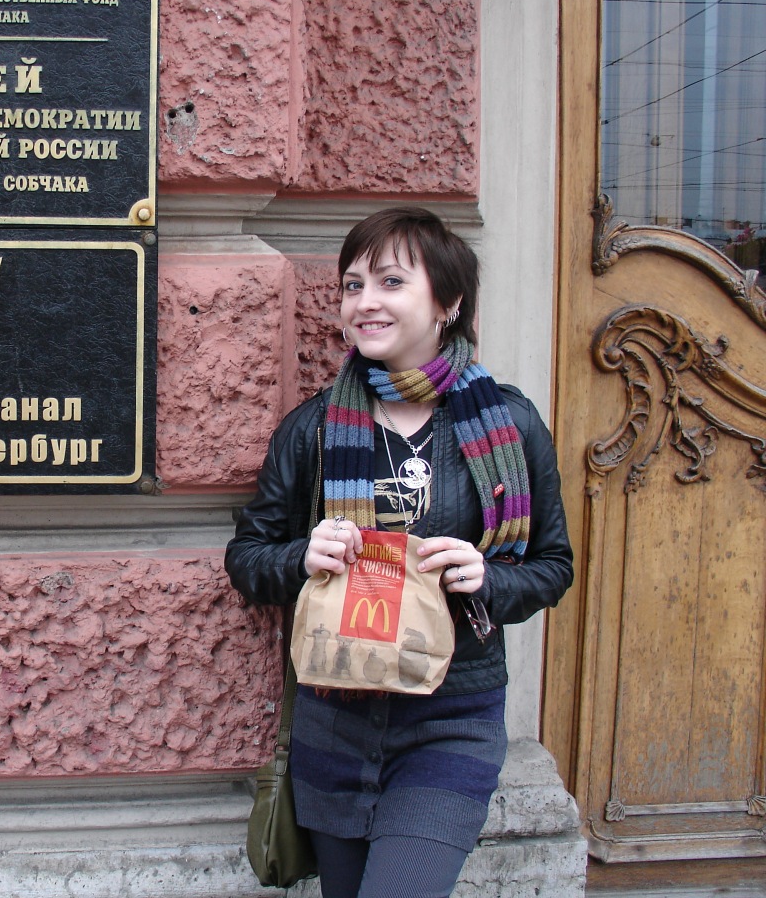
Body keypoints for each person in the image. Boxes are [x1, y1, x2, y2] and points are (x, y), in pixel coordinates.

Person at [225, 206, 573, 898]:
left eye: (390, 282)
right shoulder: (313, 428)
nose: (365, 302)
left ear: (448, 303)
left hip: (452, 719)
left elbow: (552, 566)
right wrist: (302, 558)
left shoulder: (510, 424)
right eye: (352, 285)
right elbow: (248, 559)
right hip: (335, 717)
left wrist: (487, 577)